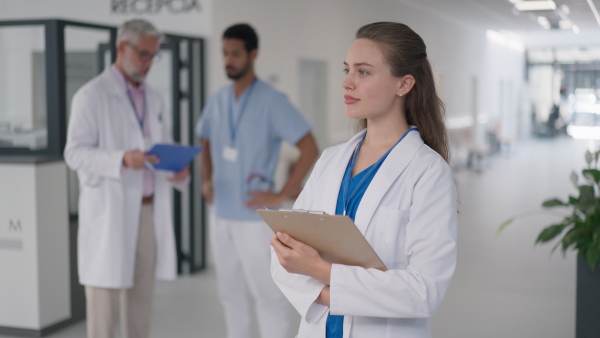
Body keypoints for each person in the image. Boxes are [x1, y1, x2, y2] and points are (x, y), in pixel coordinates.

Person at [271, 22, 458, 338]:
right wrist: (338, 294)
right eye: (347, 70)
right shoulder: (331, 161)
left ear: (404, 84)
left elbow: (424, 291)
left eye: (363, 72)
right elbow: (283, 255)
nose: (346, 83)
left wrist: (321, 272)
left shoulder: (428, 172)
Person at [64, 19, 189, 338]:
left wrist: (177, 170)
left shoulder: (155, 99)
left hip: (147, 209)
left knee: (141, 303)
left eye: (153, 56)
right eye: (144, 55)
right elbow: (74, 153)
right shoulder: (91, 96)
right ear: (122, 48)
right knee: (103, 308)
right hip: (109, 210)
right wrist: (121, 159)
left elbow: (163, 146)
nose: (149, 63)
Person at [195, 23, 319, 338]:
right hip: (221, 215)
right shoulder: (218, 99)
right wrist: (206, 178)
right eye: (224, 53)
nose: (228, 60)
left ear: (253, 54)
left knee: (268, 296)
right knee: (230, 296)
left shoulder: (272, 100)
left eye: (235, 53)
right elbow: (204, 141)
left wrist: (281, 195)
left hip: (255, 218)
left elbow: (309, 148)